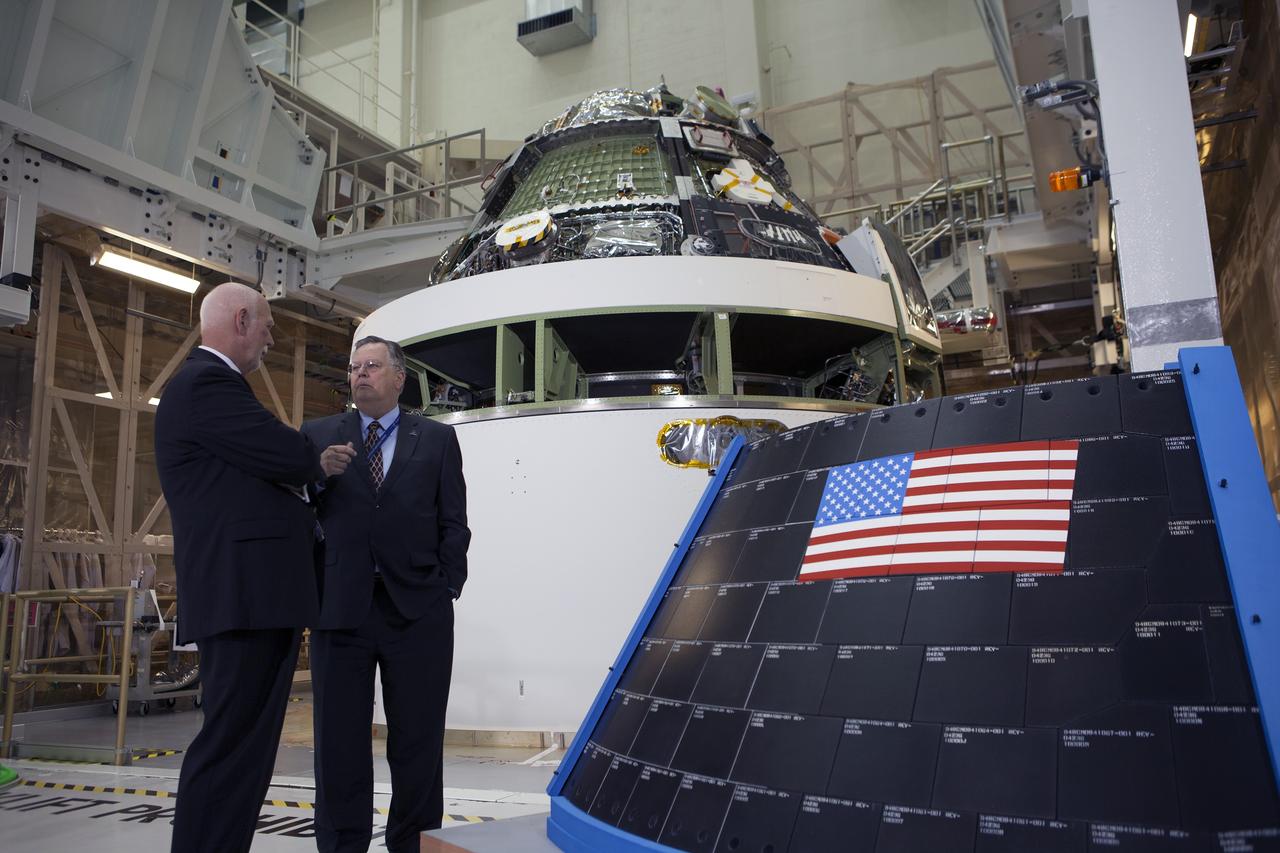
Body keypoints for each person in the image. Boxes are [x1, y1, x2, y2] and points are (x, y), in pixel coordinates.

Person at [155, 282, 356, 853]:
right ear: (241, 319)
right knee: (230, 750)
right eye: (267, 325)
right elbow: (282, 449)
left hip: (254, 599)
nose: (271, 337)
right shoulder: (206, 383)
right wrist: (313, 461)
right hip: (242, 597)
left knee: (244, 755)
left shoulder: (211, 388)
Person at [302, 335, 470, 853]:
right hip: (340, 609)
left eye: (372, 366)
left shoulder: (436, 440)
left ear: (399, 378)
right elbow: (299, 513)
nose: (361, 374)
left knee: (417, 740)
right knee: (338, 742)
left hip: (417, 610)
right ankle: (340, 843)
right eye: (354, 367)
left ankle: (413, 844)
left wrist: (447, 584)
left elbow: (454, 523)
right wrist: (316, 475)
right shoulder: (317, 435)